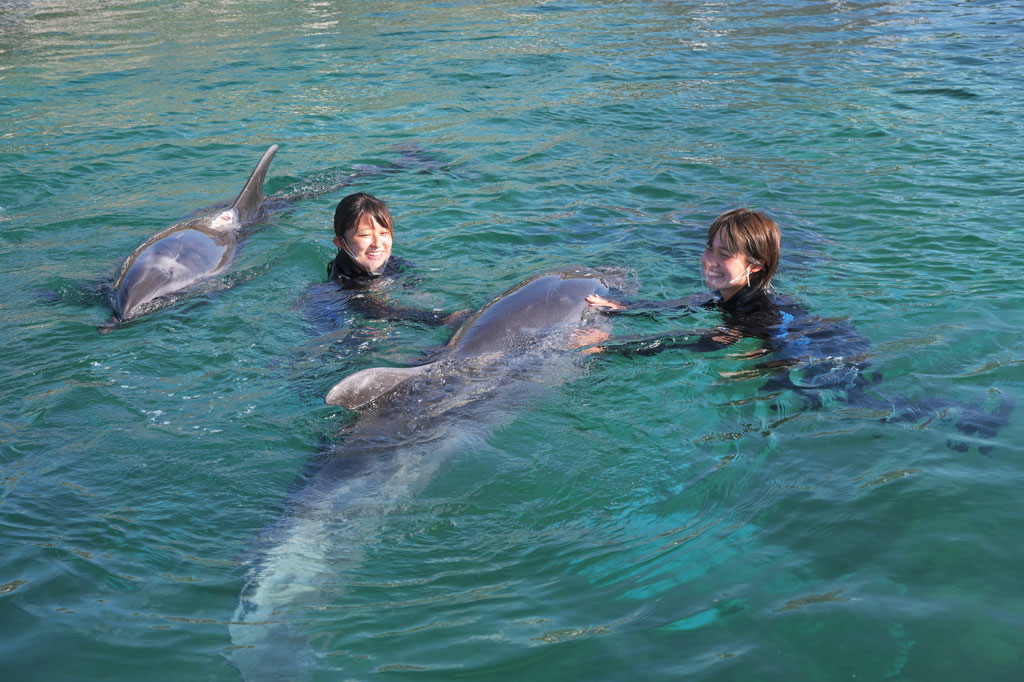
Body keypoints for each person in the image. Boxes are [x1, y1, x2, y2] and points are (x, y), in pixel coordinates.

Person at [576, 208, 1011, 451]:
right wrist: (628, 306)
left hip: (818, 357)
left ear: (755, 266)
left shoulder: (752, 313)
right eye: (708, 248)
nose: (709, 259)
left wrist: (612, 350)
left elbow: (701, 343)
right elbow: (689, 307)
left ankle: (967, 421)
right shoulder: (735, 297)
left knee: (870, 407)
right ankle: (965, 422)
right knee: (877, 403)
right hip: (817, 336)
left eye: (724, 254)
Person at [320, 192, 467, 327]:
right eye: (365, 235)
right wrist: (444, 319)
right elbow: (385, 313)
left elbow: (409, 276)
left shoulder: (390, 262)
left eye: (384, 233)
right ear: (340, 243)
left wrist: (415, 290)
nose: (377, 244)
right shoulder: (344, 286)